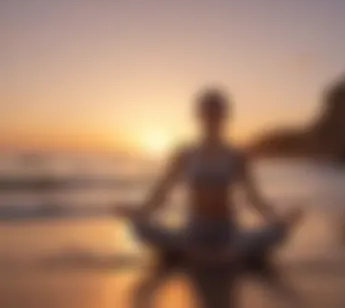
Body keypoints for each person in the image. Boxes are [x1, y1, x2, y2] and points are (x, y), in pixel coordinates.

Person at [116, 88, 302, 263]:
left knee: (275, 233)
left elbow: (253, 197)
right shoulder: (184, 154)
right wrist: (140, 213)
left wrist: (277, 220)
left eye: (217, 113)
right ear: (199, 116)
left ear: (225, 116)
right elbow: (162, 193)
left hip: (227, 229)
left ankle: (210, 254)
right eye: (208, 113)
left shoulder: (237, 156)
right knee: (141, 230)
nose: (212, 118)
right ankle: (211, 254)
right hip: (195, 228)